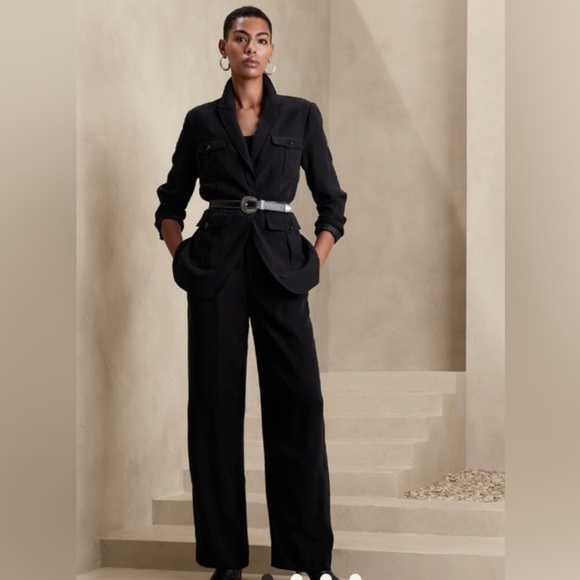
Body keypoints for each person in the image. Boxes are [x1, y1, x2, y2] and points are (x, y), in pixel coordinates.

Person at [154, 7, 347, 580]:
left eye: (261, 40)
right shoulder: (201, 120)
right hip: (216, 269)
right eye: (241, 39)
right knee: (214, 412)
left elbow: (332, 202)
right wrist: (182, 257)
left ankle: (307, 562)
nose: (251, 48)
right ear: (224, 47)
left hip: (282, 267)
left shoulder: (301, 115)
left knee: (299, 407)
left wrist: (314, 261)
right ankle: (225, 563)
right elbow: (169, 204)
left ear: (272, 50)